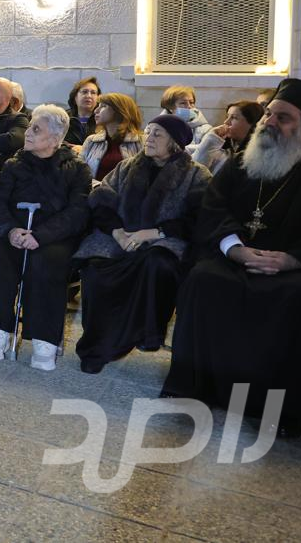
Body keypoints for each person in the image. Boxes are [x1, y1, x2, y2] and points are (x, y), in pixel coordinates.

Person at [162, 78, 301, 436]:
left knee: (300, 296)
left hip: (294, 266)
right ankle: (193, 387)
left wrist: (292, 259)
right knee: (203, 280)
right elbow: (214, 206)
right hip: (235, 254)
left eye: (282, 118)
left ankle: (281, 409)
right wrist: (234, 247)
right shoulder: (243, 160)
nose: (269, 122)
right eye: (269, 114)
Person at [73, 115, 211, 374]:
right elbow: (101, 200)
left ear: (175, 142)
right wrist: (118, 233)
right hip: (120, 236)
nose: (149, 138)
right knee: (96, 269)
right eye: (148, 132)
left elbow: (198, 219)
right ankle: (98, 345)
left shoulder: (196, 174)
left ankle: (145, 334)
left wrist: (153, 233)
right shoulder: (126, 167)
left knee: (157, 264)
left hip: (164, 240)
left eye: (158, 134)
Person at [0, 105, 91, 370]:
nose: (27, 133)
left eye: (36, 129)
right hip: (15, 233)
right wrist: (10, 230)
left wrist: (41, 235)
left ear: (55, 138)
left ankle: (44, 338)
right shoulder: (13, 164)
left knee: (47, 262)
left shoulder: (77, 169)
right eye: (29, 127)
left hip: (54, 238)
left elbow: (77, 212)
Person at [79, 92, 144, 181]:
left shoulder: (142, 142)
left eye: (103, 106)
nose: (96, 111)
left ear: (119, 111)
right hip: (95, 189)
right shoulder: (91, 141)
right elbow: (80, 174)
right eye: (98, 106)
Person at [192, 100, 265, 176]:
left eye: (234, 118)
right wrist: (210, 141)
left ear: (253, 124)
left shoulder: (256, 158)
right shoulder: (219, 146)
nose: (226, 122)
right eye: (227, 117)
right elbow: (194, 173)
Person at [158, 85, 213, 152]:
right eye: (183, 103)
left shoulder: (206, 129)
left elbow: (206, 151)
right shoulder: (156, 128)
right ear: (170, 108)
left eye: (191, 102)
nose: (189, 106)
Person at [65, 77, 101, 149]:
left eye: (93, 93)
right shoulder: (64, 117)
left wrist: (84, 149)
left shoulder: (104, 118)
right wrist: (70, 147)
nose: (89, 96)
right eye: (84, 92)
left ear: (98, 98)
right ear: (75, 97)